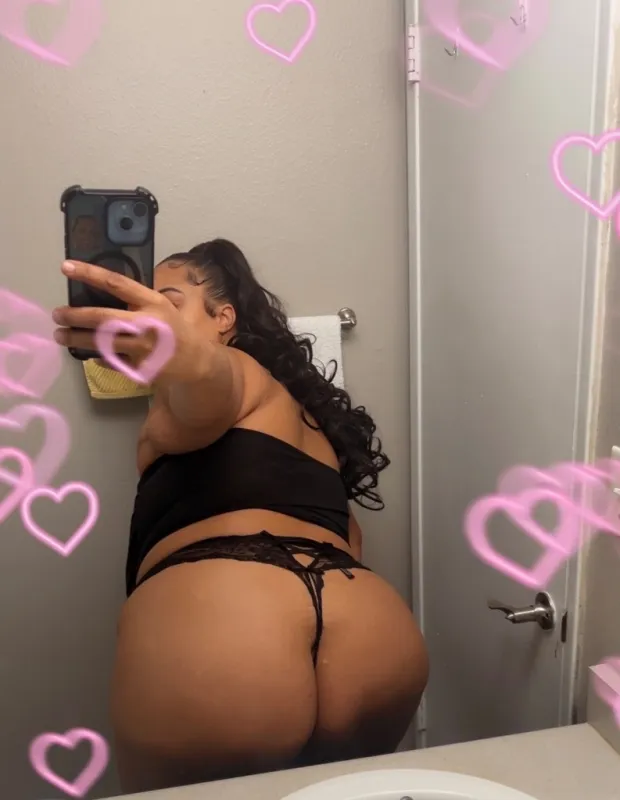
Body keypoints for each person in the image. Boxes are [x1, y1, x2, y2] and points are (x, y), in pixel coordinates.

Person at [51, 240, 429, 794]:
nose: (145, 316)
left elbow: (209, 382)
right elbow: (350, 538)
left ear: (223, 319)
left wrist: (186, 357)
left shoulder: (229, 372)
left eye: (168, 303)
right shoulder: (309, 426)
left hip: (229, 637)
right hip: (373, 633)